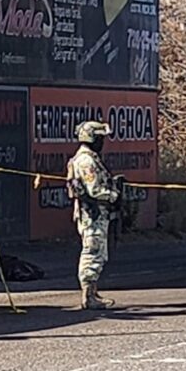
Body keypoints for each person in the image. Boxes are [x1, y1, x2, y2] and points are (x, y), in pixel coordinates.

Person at [67, 120, 122, 310]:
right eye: (100, 137)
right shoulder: (86, 160)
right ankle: (88, 295)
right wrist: (114, 195)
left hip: (95, 213)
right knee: (92, 252)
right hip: (92, 213)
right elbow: (95, 190)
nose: (103, 141)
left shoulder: (89, 157)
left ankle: (93, 292)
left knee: (99, 252)